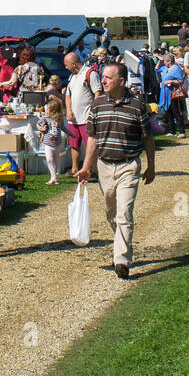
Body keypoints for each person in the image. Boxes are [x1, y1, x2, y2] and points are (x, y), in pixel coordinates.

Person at [78, 63, 155, 279]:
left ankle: (121, 259)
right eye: (103, 77)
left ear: (121, 81)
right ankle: (121, 243)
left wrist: (151, 166)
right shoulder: (97, 105)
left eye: (108, 78)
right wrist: (86, 167)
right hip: (104, 166)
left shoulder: (137, 106)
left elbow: (148, 138)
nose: (103, 81)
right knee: (111, 213)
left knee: (124, 214)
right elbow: (92, 138)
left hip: (128, 166)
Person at [63, 50, 102, 176]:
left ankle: (94, 171)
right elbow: (68, 94)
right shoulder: (72, 76)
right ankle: (75, 169)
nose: (65, 67)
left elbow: (98, 92)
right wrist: (68, 110)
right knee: (74, 144)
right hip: (73, 118)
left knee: (91, 146)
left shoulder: (90, 73)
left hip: (87, 117)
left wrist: (94, 111)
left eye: (66, 64)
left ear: (73, 64)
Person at [38, 98, 67, 185]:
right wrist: (41, 128)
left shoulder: (59, 119)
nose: (48, 112)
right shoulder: (45, 118)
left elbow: (63, 128)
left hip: (57, 143)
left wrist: (71, 134)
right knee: (49, 160)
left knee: (56, 161)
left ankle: (54, 177)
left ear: (55, 111)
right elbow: (38, 124)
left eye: (49, 110)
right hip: (48, 143)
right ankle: (54, 178)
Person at [159, 52, 187, 137]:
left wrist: (171, 81)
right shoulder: (165, 69)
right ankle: (172, 131)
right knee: (169, 112)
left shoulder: (176, 69)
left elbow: (180, 81)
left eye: (165, 61)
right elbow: (156, 69)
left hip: (173, 94)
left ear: (169, 61)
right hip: (166, 94)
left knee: (177, 112)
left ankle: (182, 131)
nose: (164, 62)